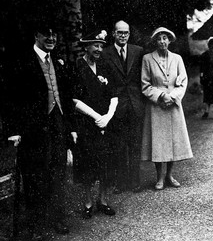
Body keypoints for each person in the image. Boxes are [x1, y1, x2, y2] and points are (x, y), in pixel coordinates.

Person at [5, 22, 76, 241]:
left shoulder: (57, 61)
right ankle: (35, 228)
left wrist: (70, 126)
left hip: (57, 123)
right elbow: (11, 97)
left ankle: (57, 218)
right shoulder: (22, 62)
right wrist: (14, 130)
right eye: (47, 34)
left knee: (57, 170)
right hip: (34, 128)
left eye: (54, 34)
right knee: (35, 176)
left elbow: (64, 95)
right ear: (36, 35)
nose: (52, 38)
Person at [72, 30, 118, 219]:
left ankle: (103, 200)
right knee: (88, 163)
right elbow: (74, 99)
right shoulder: (77, 66)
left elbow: (115, 94)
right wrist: (95, 116)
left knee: (107, 162)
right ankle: (88, 202)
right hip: (86, 124)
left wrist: (107, 117)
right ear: (86, 46)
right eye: (95, 45)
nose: (99, 49)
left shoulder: (105, 65)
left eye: (101, 45)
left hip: (106, 123)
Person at [141, 27, 193, 190]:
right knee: (158, 141)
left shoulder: (177, 58)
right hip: (157, 105)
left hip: (173, 104)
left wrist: (173, 96)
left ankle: (170, 175)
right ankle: (159, 177)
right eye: (159, 38)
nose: (162, 41)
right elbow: (145, 85)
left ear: (169, 41)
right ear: (155, 42)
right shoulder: (147, 59)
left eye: (165, 38)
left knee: (173, 140)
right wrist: (161, 96)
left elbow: (183, 81)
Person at [101, 20, 145, 193]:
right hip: (116, 106)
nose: (123, 36)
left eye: (126, 33)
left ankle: (135, 181)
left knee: (135, 145)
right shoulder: (105, 54)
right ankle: (120, 182)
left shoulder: (138, 51)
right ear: (113, 33)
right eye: (120, 33)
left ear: (129, 34)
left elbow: (143, 77)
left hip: (135, 104)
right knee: (118, 146)